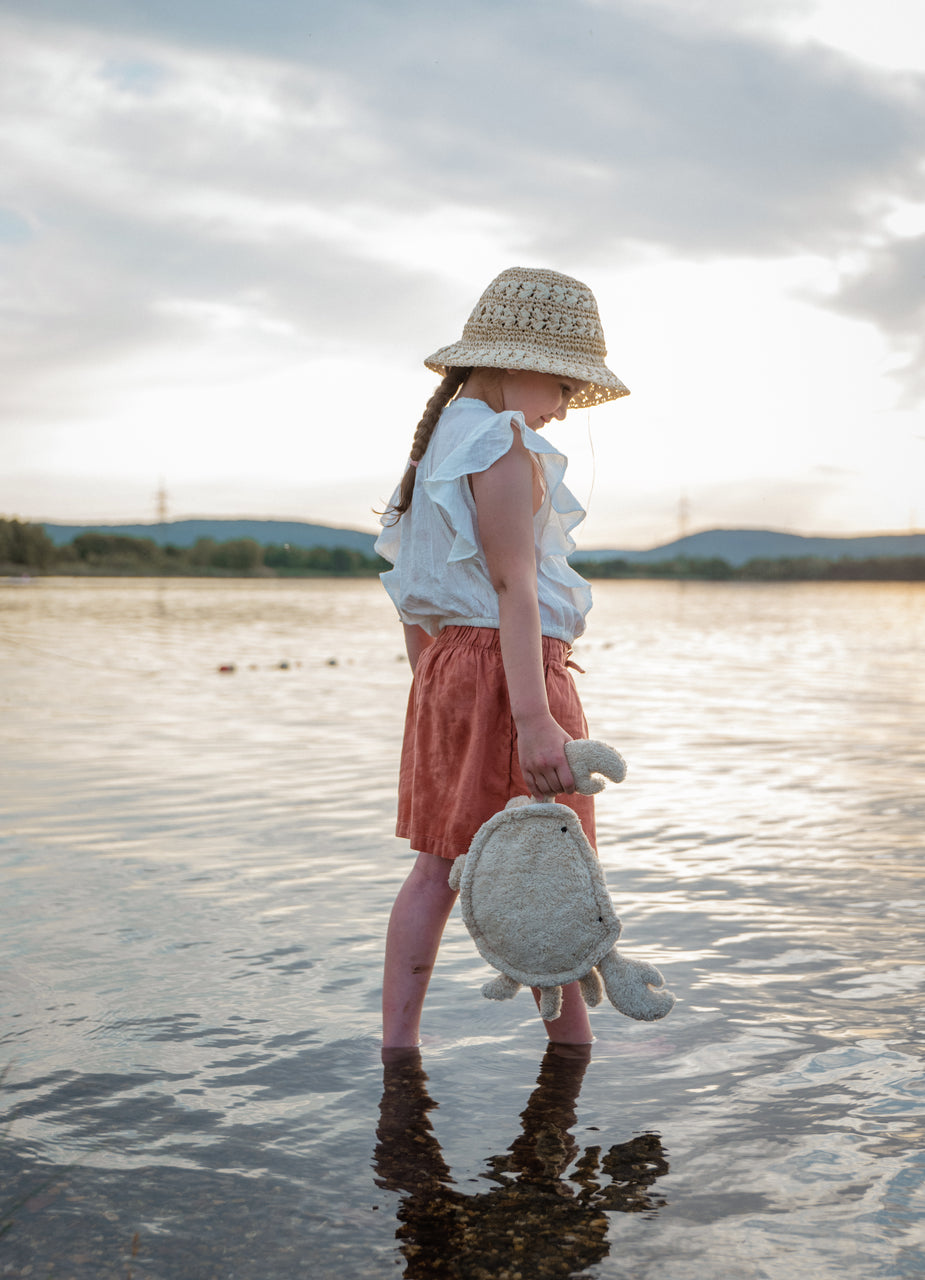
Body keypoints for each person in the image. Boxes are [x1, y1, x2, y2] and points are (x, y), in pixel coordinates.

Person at [375, 266, 629, 1049]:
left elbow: (412, 595)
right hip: (509, 674)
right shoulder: (500, 446)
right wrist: (534, 721)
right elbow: (514, 586)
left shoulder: (436, 448)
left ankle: (398, 1049)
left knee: (434, 867)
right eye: (559, 385)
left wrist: (434, 686)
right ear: (516, 362)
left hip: (448, 669)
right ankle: (571, 1052)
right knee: (549, 866)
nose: (558, 409)